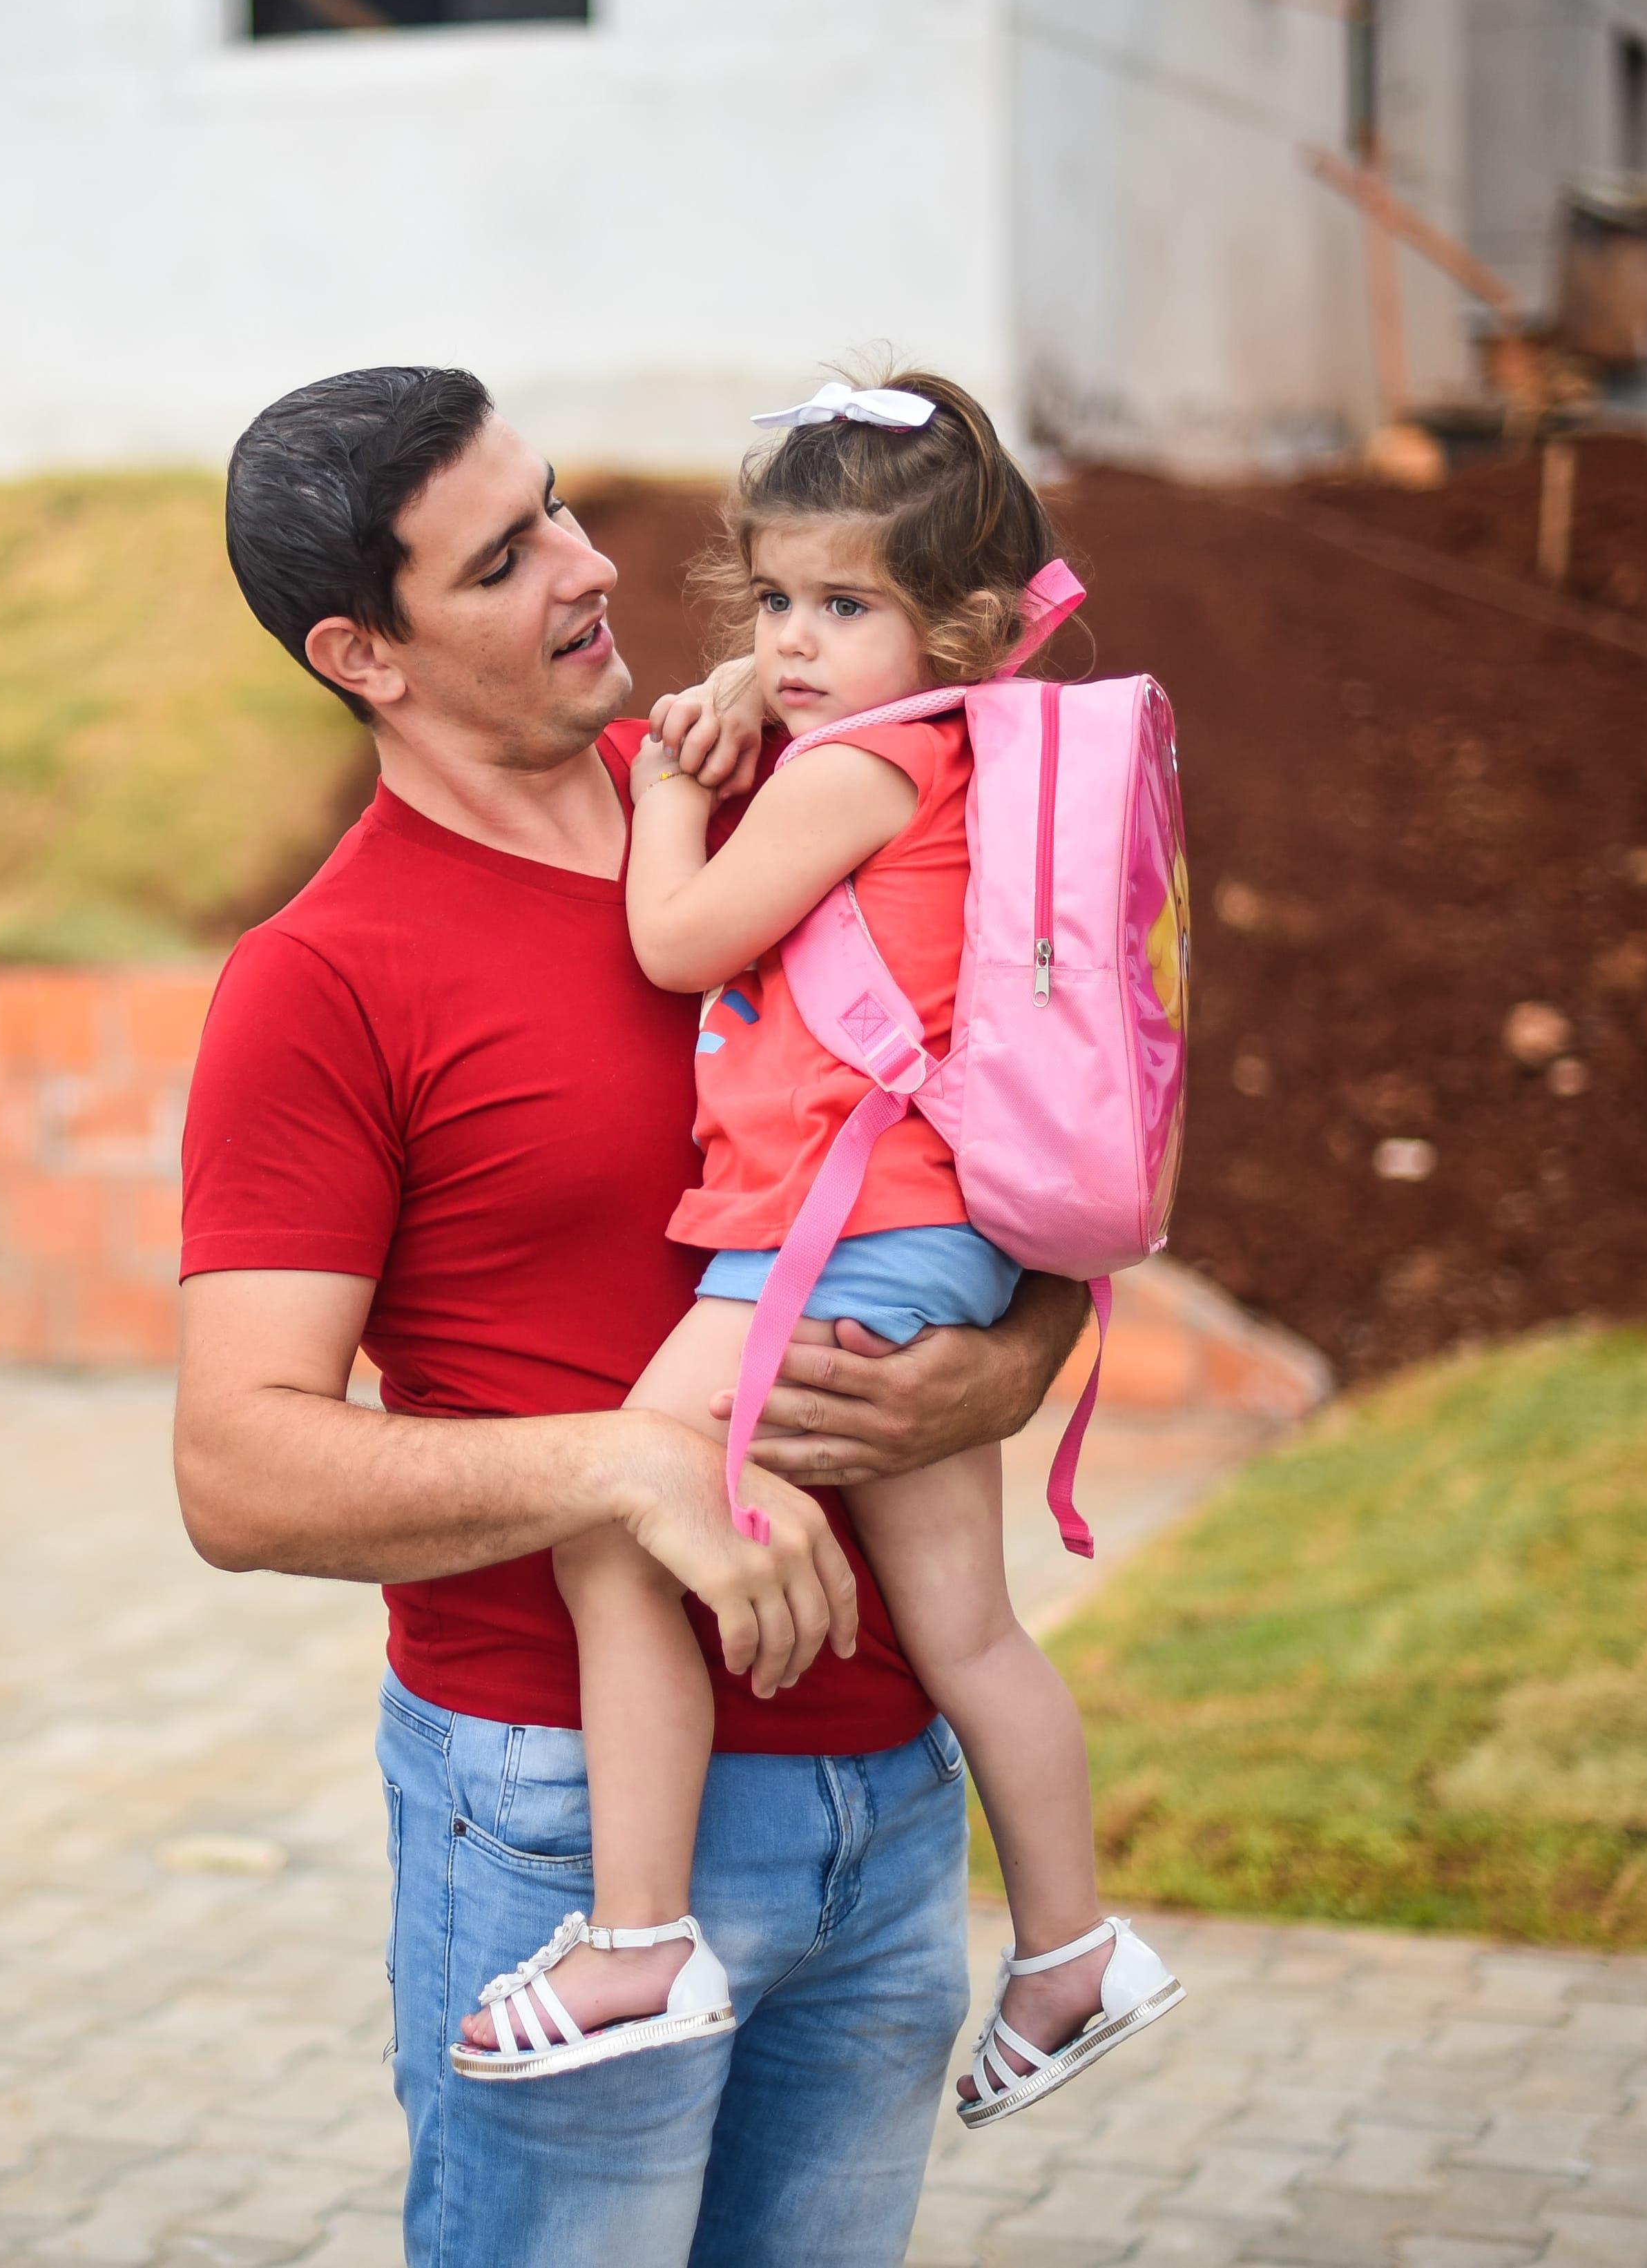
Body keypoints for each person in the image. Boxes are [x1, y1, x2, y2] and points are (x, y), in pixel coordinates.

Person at [177, 365, 1088, 2266]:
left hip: (896, 1797)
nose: (597, 567)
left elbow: (1037, 1150)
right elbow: (238, 1469)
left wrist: (1008, 1365)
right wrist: (628, 1468)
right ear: (366, 653)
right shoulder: (321, 981)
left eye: (564, 505)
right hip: (564, 1830)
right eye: (509, 559)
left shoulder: (789, 787)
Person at [445, 373, 1184, 2123]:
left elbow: (682, 943)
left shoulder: (851, 772)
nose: (791, 644)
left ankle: (634, 1938)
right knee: (968, 1632)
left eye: (842, 607)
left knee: (620, 1529)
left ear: (964, 623)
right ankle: (1071, 1955)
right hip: (930, 1238)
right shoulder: (949, 748)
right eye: (773, 601)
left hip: (831, 1238)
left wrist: (678, 796)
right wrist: (763, 705)